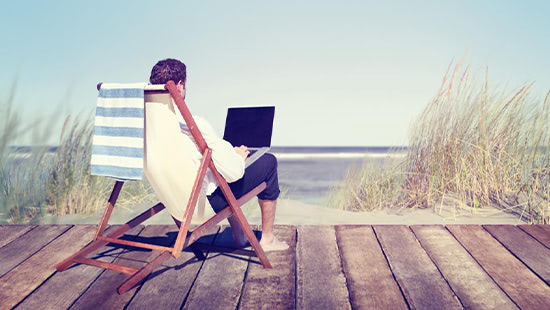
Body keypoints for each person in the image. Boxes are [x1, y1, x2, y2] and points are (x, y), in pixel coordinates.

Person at [149, 58, 288, 251]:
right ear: (179, 85)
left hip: (174, 202)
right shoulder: (193, 125)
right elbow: (234, 173)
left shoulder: (150, 130)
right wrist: (238, 157)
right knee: (268, 162)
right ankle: (268, 239)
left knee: (216, 168)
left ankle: (239, 235)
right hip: (204, 206)